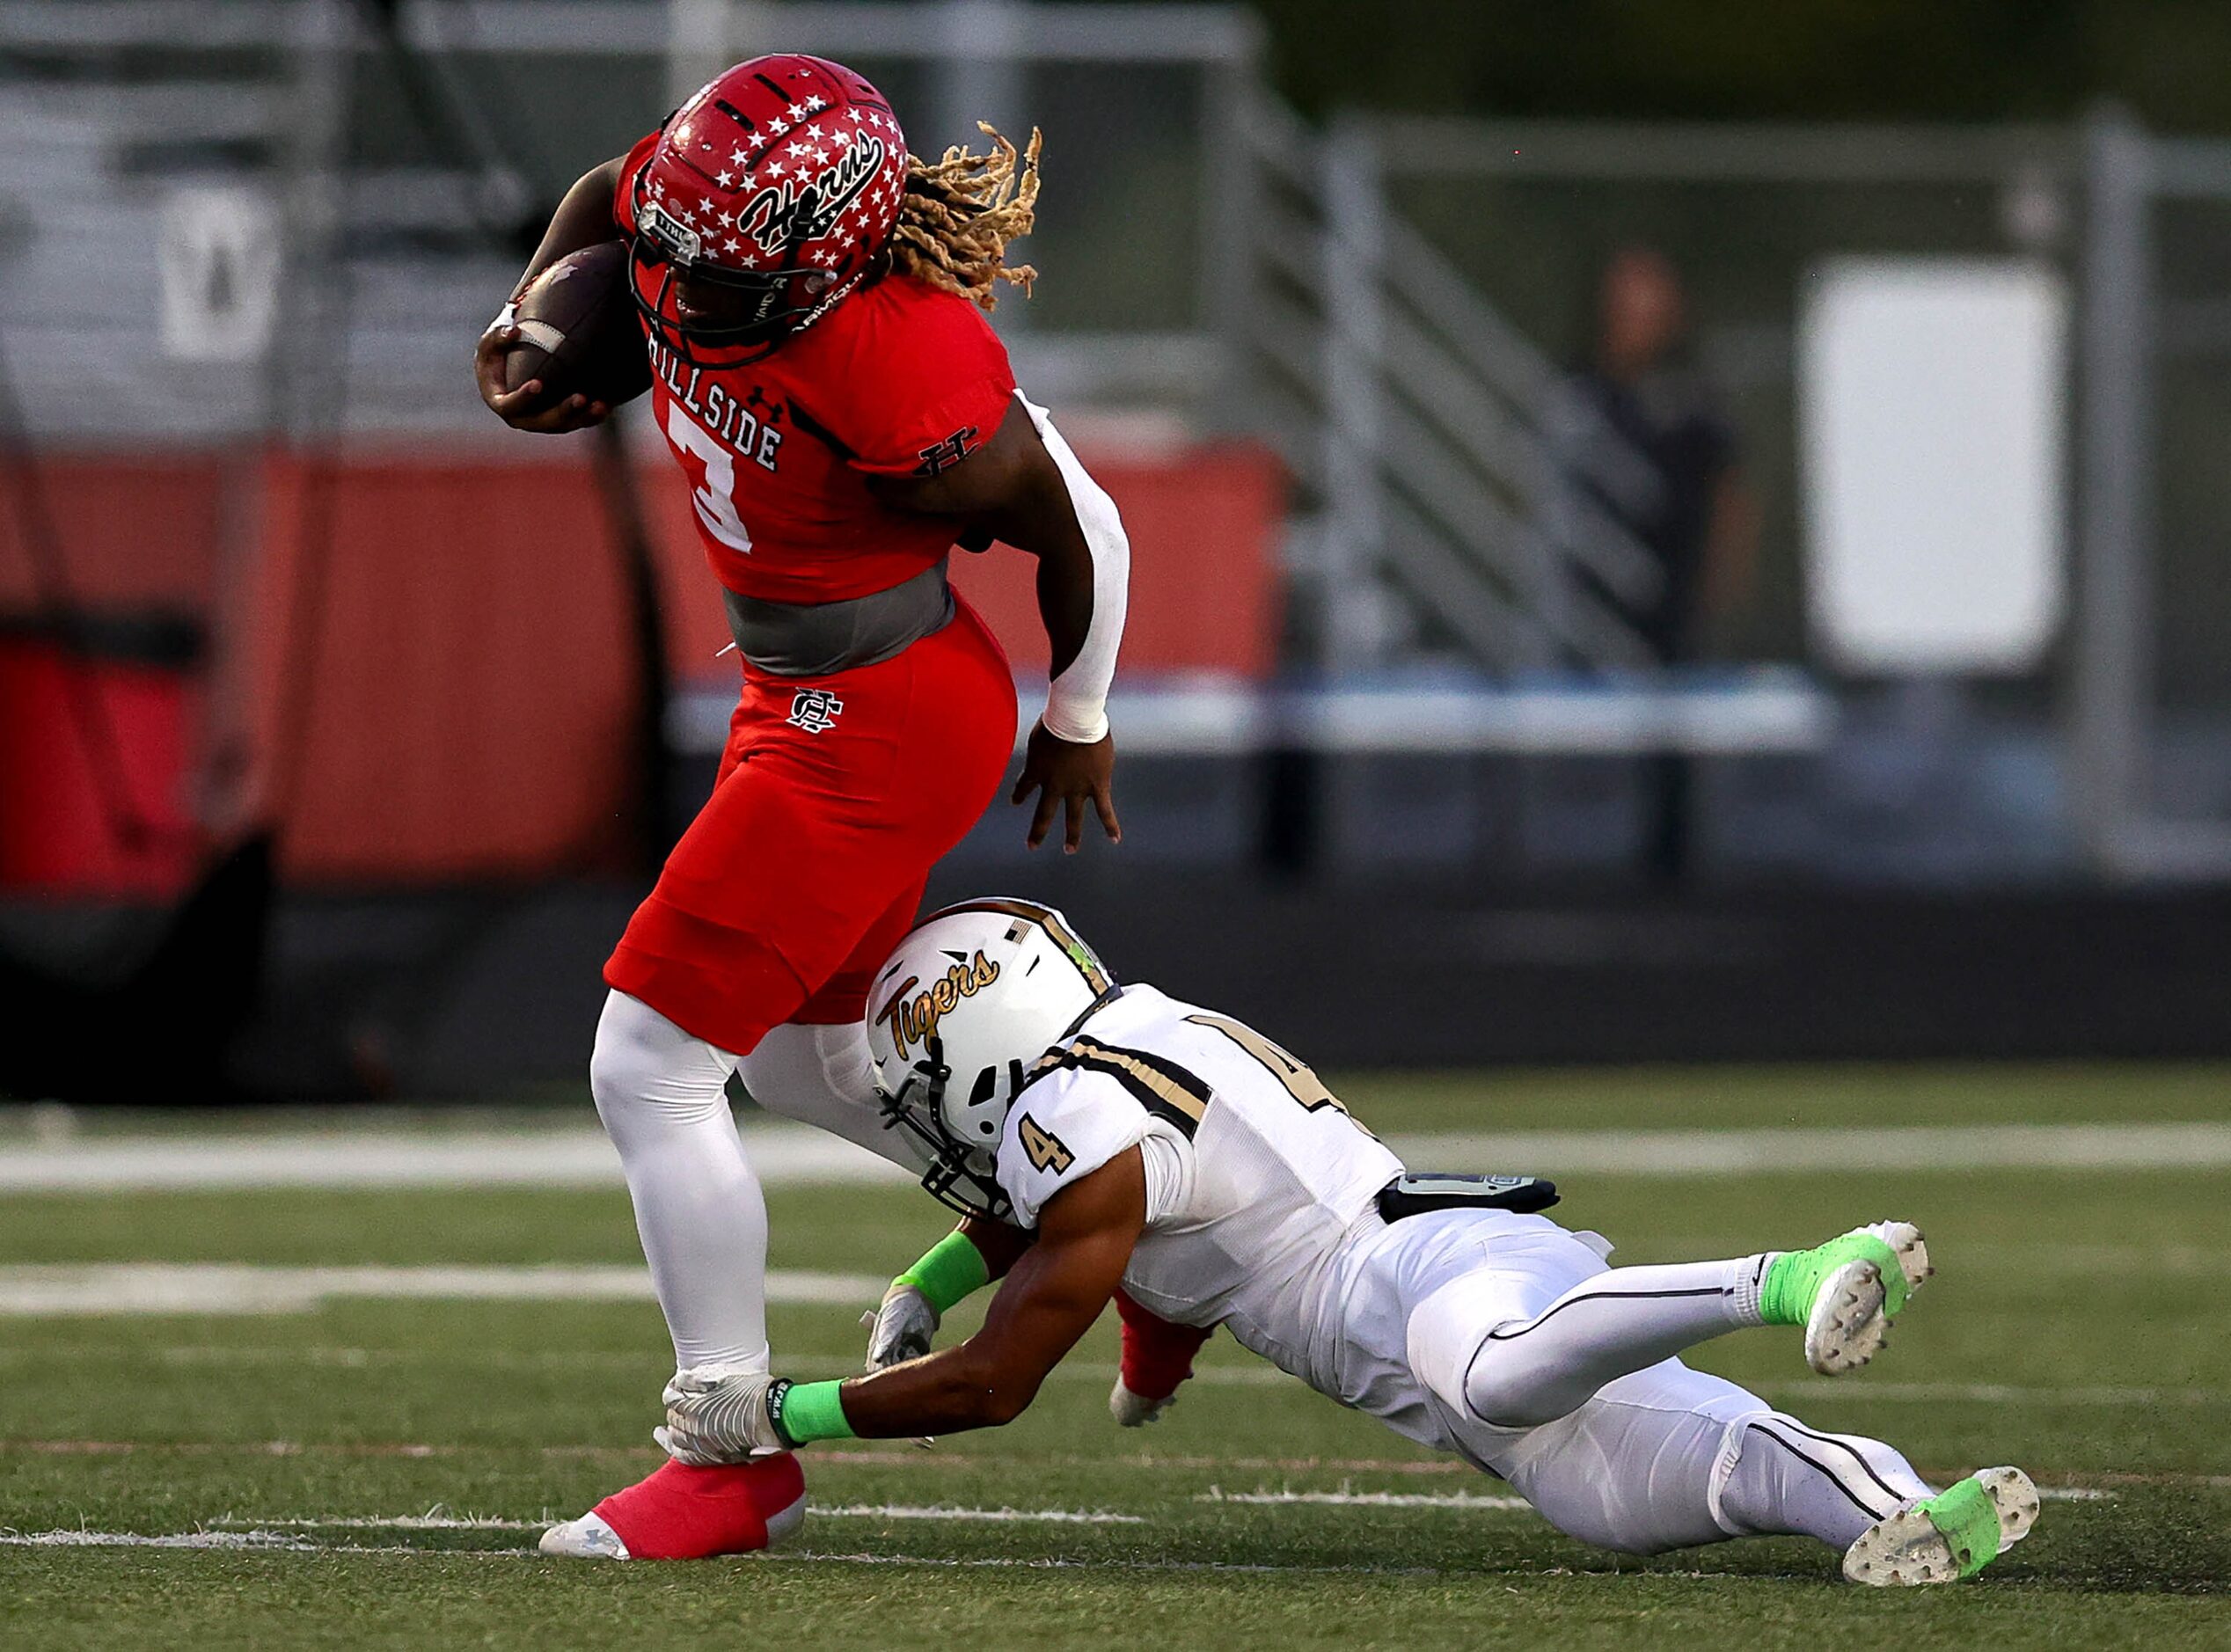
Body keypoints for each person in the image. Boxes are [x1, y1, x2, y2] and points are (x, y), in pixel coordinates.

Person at [580, 896, 2044, 1588]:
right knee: (1677, 1479)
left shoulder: (1068, 1118)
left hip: (1421, 1277)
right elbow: (1107, 1222)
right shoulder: (1126, 1047)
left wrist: (781, 1411)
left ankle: (1778, 1275)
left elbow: (996, 1379)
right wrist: (933, 1271)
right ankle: (1916, 1506)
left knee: (1491, 1374)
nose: (933, 1123)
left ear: (973, 1048)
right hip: (1423, 1271)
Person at [474, 55, 1130, 1559]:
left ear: (821, 260)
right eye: (673, 264)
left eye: (714, 277)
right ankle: (1093, 1207)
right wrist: (531, 314)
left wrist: (1079, 717)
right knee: (800, 1060)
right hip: (802, 694)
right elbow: (610, 204)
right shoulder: (700, 218)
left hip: (878, 716)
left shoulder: (898, 357)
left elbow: (1081, 523)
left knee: (644, 1062)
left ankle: (724, 1450)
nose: (677, 298)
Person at [1565, 245, 1759, 885]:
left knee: (1671, 741)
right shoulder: (1579, 394)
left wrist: (1722, 582)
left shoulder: (1693, 398)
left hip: (1671, 594)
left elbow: (1731, 491)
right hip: (1590, 597)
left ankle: (1670, 860)